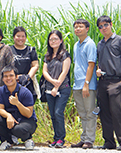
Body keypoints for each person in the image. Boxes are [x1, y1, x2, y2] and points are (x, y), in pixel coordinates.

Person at [0, 64, 37, 150]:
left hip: (26, 121)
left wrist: (17, 103)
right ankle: (8, 141)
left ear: (16, 77)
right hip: (11, 120)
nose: (8, 78)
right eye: (6, 76)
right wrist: (8, 116)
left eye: (11, 75)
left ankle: (28, 139)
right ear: (3, 79)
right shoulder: (1, 90)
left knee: (18, 129)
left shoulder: (25, 92)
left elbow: (29, 114)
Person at [71, 19, 97, 149]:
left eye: (80, 27)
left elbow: (91, 65)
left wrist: (86, 84)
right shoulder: (76, 45)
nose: (77, 29)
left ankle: (89, 140)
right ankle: (84, 137)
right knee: (82, 113)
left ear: (87, 29)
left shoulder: (90, 44)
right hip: (77, 85)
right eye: (76, 27)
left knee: (90, 112)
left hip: (87, 85)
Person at [96, 15, 121, 150]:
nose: (103, 28)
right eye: (100, 26)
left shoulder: (118, 40)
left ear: (111, 24)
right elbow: (100, 61)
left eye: (105, 25)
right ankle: (109, 142)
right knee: (104, 112)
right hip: (103, 81)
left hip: (117, 81)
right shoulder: (100, 44)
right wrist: (98, 70)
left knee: (117, 112)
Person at [42, 30, 71, 148]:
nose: (53, 41)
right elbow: (44, 71)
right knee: (53, 114)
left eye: (55, 39)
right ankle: (55, 138)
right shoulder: (47, 56)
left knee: (58, 112)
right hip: (49, 88)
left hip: (63, 88)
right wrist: (52, 82)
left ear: (61, 41)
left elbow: (65, 71)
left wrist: (56, 86)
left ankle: (61, 139)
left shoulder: (65, 54)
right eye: (51, 39)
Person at [10, 26, 39, 102]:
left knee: (28, 108)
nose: (20, 38)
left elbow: (35, 65)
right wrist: (15, 77)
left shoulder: (31, 50)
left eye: (23, 36)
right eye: (18, 36)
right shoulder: (9, 50)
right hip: (12, 82)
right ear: (14, 37)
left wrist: (27, 77)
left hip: (27, 84)